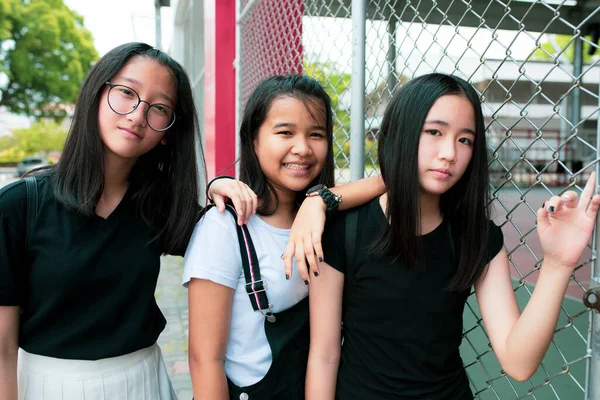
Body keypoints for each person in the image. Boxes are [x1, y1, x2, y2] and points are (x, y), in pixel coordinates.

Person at [304, 73, 600, 399]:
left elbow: (518, 362)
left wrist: (558, 263)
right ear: (400, 133)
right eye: (434, 132)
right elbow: (324, 355)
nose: (449, 153)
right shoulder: (345, 229)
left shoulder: (477, 237)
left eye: (465, 140)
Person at [0, 42, 257, 400]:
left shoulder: (159, 206)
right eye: (126, 93)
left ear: (168, 132)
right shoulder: (20, 205)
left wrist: (221, 186)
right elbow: (2, 348)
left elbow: (229, 237)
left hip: (143, 382)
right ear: (96, 93)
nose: (137, 114)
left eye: (159, 108)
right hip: (46, 385)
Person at [183, 74, 386, 400]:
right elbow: (204, 360)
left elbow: (392, 179)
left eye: (316, 134)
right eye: (285, 133)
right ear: (253, 139)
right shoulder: (226, 226)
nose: (303, 148)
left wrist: (322, 200)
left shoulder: (333, 222)